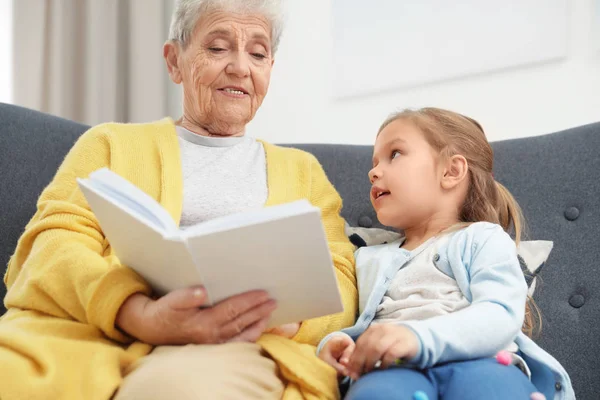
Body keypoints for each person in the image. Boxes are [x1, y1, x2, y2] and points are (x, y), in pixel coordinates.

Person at [0, 1, 357, 399]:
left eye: (257, 53)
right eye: (218, 48)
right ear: (175, 62)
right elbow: (50, 246)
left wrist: (286, 322)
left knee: (174, 389)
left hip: (236, 346)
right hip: (91, 335)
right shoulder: (111, 144)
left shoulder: (303, 172)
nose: (240, 66)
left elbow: (339, 278)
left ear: (269, 69)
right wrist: (136, 314)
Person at [317, 108, 574, 400]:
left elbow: (500, 313)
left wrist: (417, 338)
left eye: (395, 154)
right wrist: (335, 343)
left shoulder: (480, 238)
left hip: (481, 363)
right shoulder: (365, 257)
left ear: (451, 171)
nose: (373, 172)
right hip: (391, 370)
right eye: (374, 163)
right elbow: (346, 322)